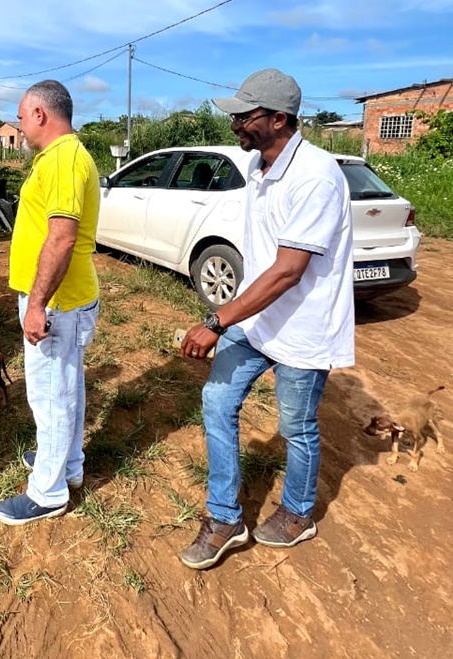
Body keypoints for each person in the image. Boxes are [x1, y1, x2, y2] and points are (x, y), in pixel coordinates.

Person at [178, 69, 354, 569]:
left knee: (296, 426)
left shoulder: (316, 176)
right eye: (235, 114)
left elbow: (287, 272)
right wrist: (233, 319)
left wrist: (215, 322)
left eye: (244, 115)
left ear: (280, 119)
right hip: (256, 322)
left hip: (302, 326)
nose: (235, 123)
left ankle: (298, 514)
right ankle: (226, 517)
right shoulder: (259, 167)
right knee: (217, 400)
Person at [0, 80, 101, 525]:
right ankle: (66, 464)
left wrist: (36, 305)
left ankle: (48, 491)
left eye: (20, 115)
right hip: (61, 298)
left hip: (56, 302)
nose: (18, 124)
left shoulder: (64, 159)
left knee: (51, 394)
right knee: (64, 387)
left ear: (40, 113)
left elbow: (61, 236)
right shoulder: (59, 158)